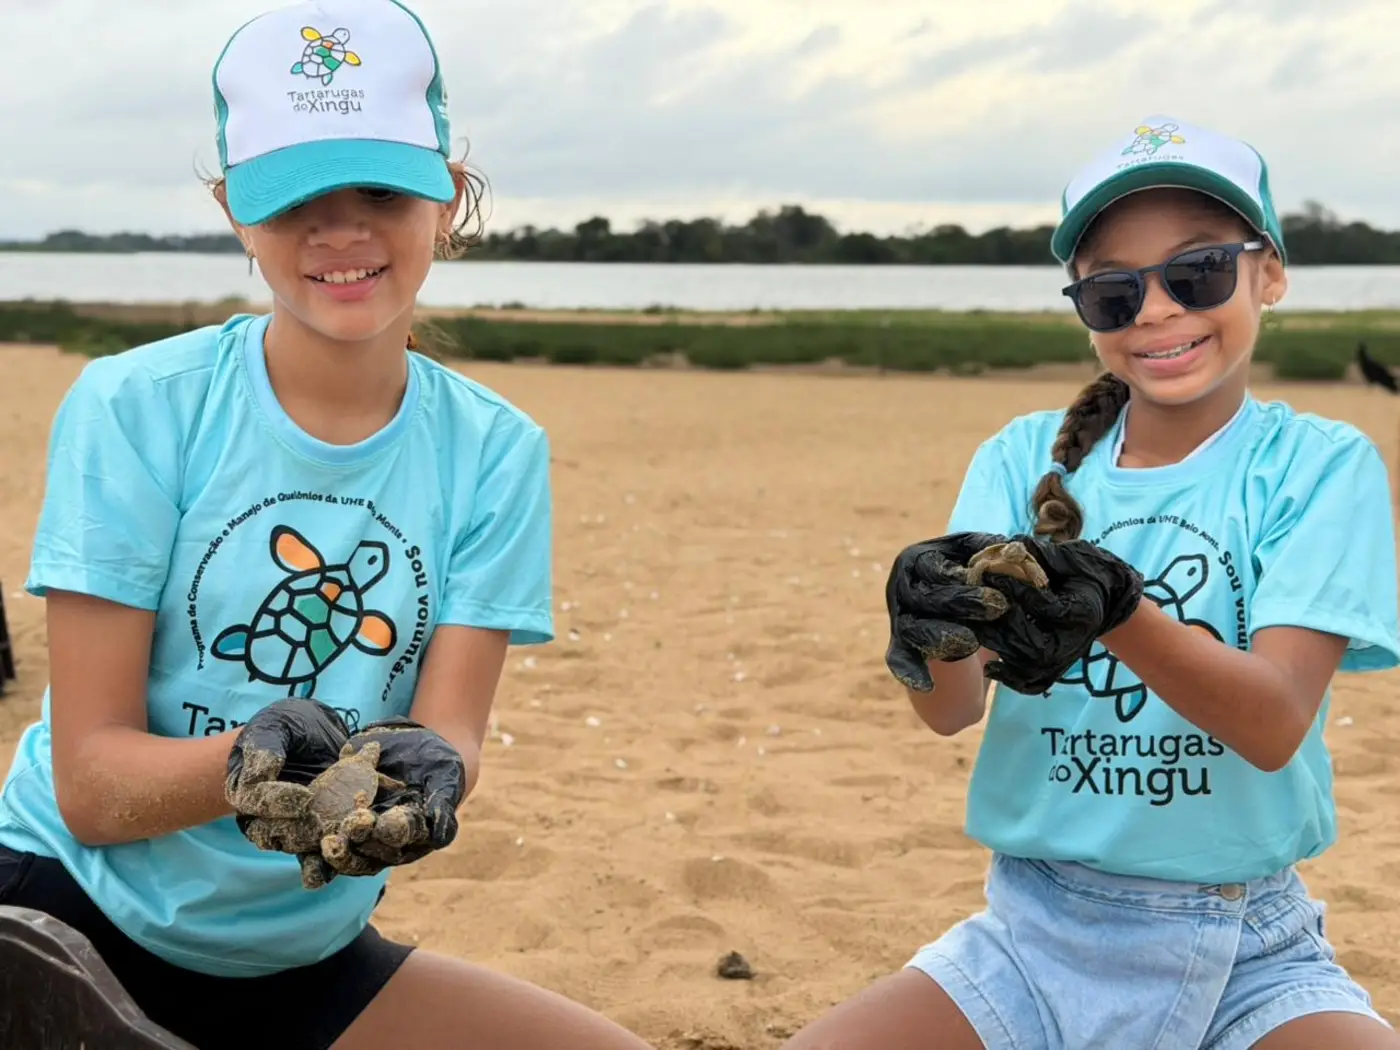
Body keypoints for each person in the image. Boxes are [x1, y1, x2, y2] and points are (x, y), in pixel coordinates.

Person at [0, 1, 655, 1048]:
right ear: (236, 211)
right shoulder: (137, 406)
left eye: (381, 192)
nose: (341, 232)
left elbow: (449, 732)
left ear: (448, 198)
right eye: (297, 197)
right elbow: (90, 787)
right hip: (61, 916)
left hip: (296, 951)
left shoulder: (495, 450)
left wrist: (430, 775)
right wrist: (251, 761)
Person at [781, 116, 1400, 1049]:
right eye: (1114, 291)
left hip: (1250, 949)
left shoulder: (1317, 466)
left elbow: (1274, 724)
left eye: (1197, 272)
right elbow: (952, 710)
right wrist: (920, 629)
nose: (1155, 310)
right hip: (1031, 937)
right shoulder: (1020, 458)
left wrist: (1119, 611)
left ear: (1269, 273)